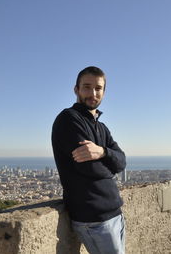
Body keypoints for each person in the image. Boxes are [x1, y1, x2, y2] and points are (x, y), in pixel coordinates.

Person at [52, 66, 126, 254]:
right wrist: (111, 168)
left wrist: (102, 152)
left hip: (115, 213)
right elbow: (90, 169)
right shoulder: (68, 120)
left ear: (104, 91)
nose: (93, 93)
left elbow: (122, 161)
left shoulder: (101, 127)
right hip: (93, 218)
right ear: (76, 89)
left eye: (98, 88)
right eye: (86, 87)